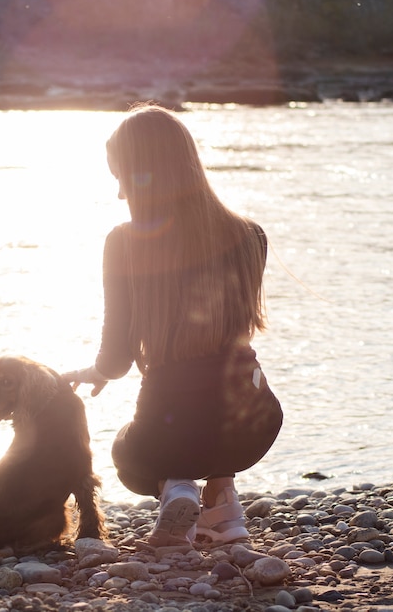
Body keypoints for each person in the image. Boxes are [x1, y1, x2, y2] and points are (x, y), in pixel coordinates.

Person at [63, 104, 283, 547]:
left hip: (162, 438)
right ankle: (223, 504)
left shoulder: (123, 243)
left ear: (140, 173)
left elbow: (118, 357)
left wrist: (96, 372)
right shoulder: (250, 235)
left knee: (126, 451)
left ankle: (176, 486)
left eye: (121, 178)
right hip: (255, 424)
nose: (121, 194)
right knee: (216, 399)